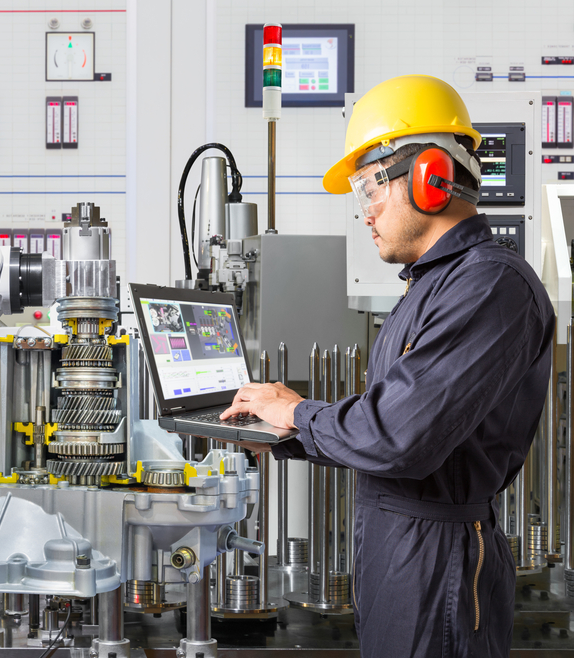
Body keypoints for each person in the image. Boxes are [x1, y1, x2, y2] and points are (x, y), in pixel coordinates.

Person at [220, 75, 554, 657]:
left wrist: (299, 412)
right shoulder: (433, 285)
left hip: (438, 564)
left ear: (430, 178)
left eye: (371, 188)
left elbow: (399, 436)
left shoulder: (489, 285)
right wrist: (284, 435)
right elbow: (390, 421)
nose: (365, 213)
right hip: (401, 551)